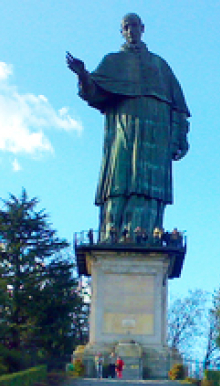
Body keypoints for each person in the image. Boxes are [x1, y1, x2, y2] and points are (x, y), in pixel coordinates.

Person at [67, 13, 190, 239]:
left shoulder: (160, 65)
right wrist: (83, 75)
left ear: (143, 28)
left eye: (134, 25)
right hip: (124, 130)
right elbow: (92, 92)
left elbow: (179, 107)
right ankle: (113, 235)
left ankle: (147, 234)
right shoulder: (113, 61)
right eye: (126, 26)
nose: (131, 30)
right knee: (119, 181)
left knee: (150, 188)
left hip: (156, 135)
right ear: (121, 31)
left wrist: (180, 136)